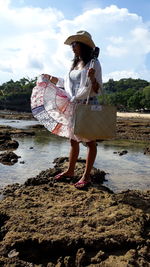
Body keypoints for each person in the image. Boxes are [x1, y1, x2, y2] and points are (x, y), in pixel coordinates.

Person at [31, 30, 102, 189]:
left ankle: (86, 176)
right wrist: (52, 78)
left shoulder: (94, 63)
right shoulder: (75, 63)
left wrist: (91, 78)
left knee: (90, 142)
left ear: (83, 45)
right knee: (73, 139)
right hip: (74, 104)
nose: (72, 47)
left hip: (87, 104)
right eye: (72, 44)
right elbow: (68, 84)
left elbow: (97, 89)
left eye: (75, 44)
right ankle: (70, 171)